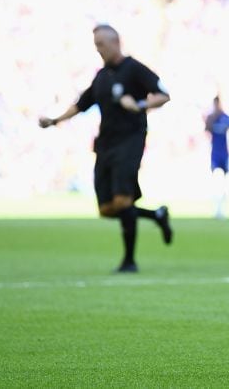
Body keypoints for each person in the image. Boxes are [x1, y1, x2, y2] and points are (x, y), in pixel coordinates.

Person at [39, 24, 173, 273]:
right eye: (96, 45)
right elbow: (81, 104)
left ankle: (129, 261)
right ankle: (157, 216)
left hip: (130, 141)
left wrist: (140, 104)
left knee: (123, 200)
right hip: (105, 145)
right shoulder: (101, 76)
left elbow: (163, 95)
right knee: (107, 208)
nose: (98, 49)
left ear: (115, 42)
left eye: (101, 44)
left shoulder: (134, 69)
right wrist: (54, 120)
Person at [205, 95, 229, 219]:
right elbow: (207, 128)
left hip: (225, 154)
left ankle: (223, 210)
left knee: (225, 184)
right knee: (217, 181)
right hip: (215, 155)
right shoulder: (211, 118)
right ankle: (216, 210)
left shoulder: (226, 117)